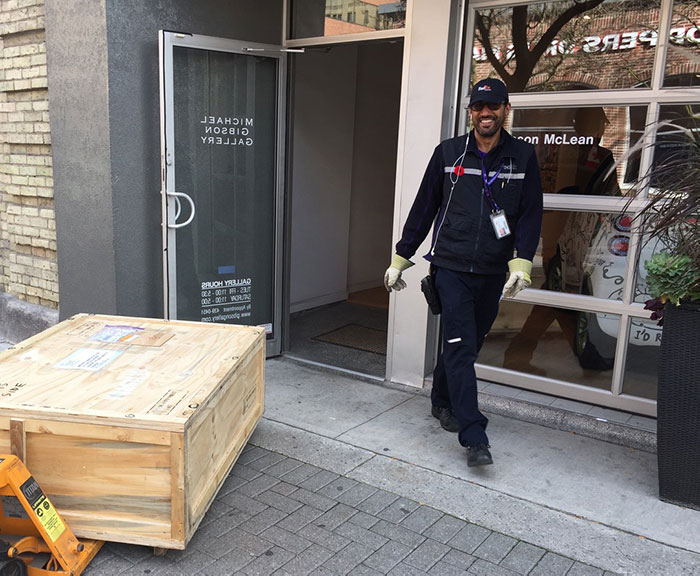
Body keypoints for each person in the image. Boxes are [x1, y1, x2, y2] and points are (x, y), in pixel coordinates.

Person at [383, 78, 543, 467]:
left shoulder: (522, 156)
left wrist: (522, 261)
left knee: (465, 346)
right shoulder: (449, 153)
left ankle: (441, 401)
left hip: (491, 270)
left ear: (506, 109)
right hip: (450, 267)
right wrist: (401, 257)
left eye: (493, 106)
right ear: (470, 111)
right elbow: (424, 208)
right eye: (478, 107)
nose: (485, 113)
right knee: (459, 347)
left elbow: (529, 213)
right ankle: (474, 435)